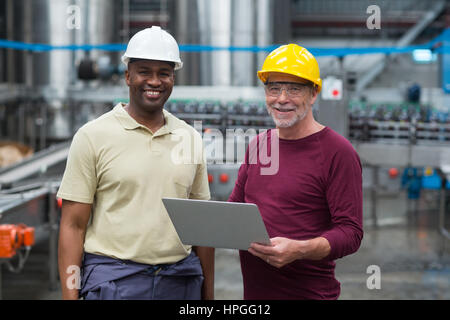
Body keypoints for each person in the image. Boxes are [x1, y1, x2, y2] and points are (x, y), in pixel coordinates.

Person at [57, 26, 214, 300]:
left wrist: (208, 297)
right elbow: (73, 226)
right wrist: (70, 296)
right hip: (115, 282)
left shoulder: (189, 138)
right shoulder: (92, 136)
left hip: (179, 282)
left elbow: (203, 228)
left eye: (163, 73)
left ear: (173, 78)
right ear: (128, 76)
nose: (154, 81)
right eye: (144, 72)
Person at [228, 44, 363, 299]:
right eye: (274, 88)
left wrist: (300, 249)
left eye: (294, 89)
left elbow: (351, 233)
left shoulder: (338, 152)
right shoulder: (258, 145)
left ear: (313, 94)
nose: (281, 98)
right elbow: (235, 208)